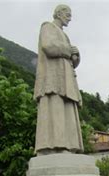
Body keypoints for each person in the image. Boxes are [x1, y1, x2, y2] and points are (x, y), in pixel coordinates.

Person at [34, 4, 84, 155]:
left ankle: (69, 146)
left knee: (67, 110)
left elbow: (70, 62)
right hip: (53, 79)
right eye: (67, 14)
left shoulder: (64, 35)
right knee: (54, 109)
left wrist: (76, 55)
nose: (70, 18)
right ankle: (56, 146)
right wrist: (69, 50)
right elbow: (48, 47)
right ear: (59, 14)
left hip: (67, 81)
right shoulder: (47, 27)